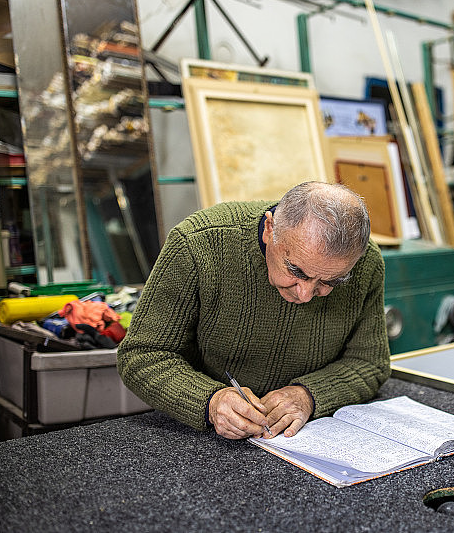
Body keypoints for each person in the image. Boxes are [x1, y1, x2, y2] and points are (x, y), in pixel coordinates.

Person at [117, 181, 390, 440]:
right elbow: (143, 355)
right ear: (269, 229)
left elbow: (369, 363)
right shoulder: (198, 244)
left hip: (304, 437)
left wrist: (309, 395)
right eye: (296, 271)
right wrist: (210, 401)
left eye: (331, 281)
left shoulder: (366, 263)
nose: (305, 294)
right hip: (200, 436)